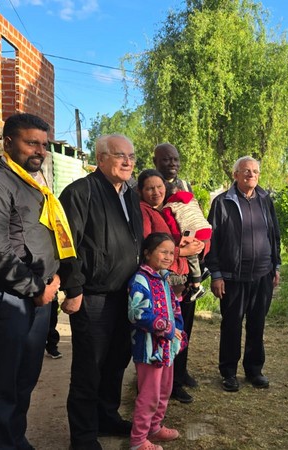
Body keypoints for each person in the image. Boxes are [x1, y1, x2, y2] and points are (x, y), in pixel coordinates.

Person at [0, 113, 71, 449]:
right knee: (2, 384)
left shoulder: (31, 183)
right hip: (5, 299)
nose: (40, 151)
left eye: (43, 144)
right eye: (31, 143)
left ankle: (15, 441)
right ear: (8, 142)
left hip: (36, 298)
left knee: (24, 379)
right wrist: (38, 289)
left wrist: (54, 278)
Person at [58, 134, 144, 450]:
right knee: (89, 368)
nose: (128, 162)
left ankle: (106, 416)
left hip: (127, 295)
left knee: (117, 361)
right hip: (94, 297)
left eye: (132, 156)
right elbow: (66, 244)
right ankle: (82, 437)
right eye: (120, 155)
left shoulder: (130, 194)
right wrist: (73, 288)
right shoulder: (80, 192)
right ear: (101, 158)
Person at [206, 156, 282, 392]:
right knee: (232, 325)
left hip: (262, 274)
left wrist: (276, 266)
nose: (251, 175)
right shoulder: (222, 202)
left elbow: (274, 234)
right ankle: (229, 373)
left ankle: (254, 370)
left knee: (257, 324)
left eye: (255, 171)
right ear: (235, 174)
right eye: (246, 171)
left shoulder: (265, 200)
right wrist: (216, 274)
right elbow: (211, 240)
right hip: (232, 277)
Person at [136, 169, 204, 404]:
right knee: (167, 333)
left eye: (159, 187)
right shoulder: (144, 212)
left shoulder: (165, 209)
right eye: (149, 188)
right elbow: (149, 248)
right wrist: (181, 252)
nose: (156, 192)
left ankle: (178, 376)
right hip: (162, 282)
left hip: (179, 280)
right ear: (141, 191)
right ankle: (168, 385)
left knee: (181, 329)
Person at [152, 143, 203, 404]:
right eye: (166, 159)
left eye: (175, 159)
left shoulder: (185, 185)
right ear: (155, 161)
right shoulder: (151, 187)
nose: (172, 163)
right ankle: (165, 382)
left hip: (186, 268)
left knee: (185, 324)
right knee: (166, 327)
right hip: (164, 271)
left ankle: (181, 373)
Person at [127, 232, 187, 450]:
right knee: (149, 395)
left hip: (166, 349)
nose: (168, 257)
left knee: (164, 390)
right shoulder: (140, 280)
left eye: (171, 253)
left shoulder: (163, 279)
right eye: (163, 252)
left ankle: (154, 427)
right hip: (149, 350)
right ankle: (138, 440)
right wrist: (167, 328)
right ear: (147, 253)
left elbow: (175, 307)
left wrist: (177, 329)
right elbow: (137, 313)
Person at [161, 184, 212, 301]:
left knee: (191, 254)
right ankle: (203, 268)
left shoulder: (168, 207)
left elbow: (173, 228)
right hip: (206, 229)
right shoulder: (192, 199)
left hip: (193, 233)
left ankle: (197, 286)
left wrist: (178, 242)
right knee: (199, 250)